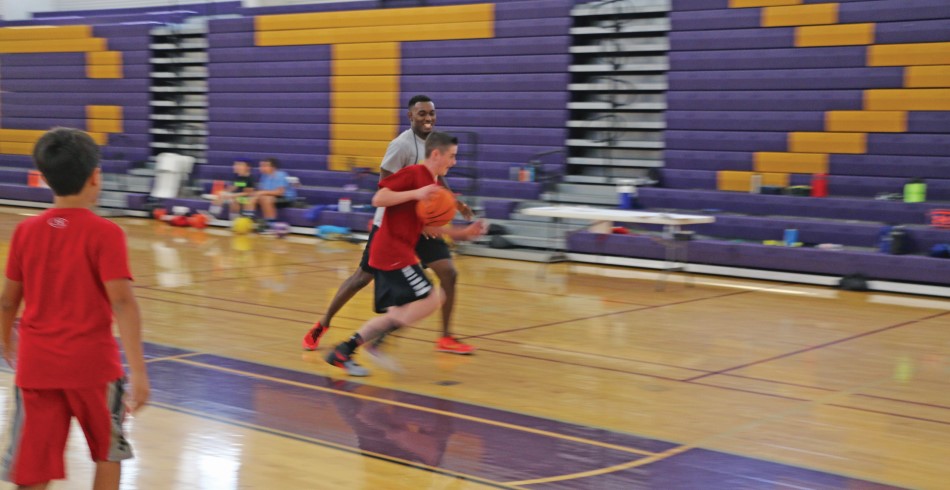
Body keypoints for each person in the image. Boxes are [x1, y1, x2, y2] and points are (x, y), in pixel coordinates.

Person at [0, 127, 150, 489]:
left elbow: (7, 301)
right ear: (95, 177)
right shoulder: (106, 233)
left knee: (32, 465)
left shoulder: (25, 232)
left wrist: (6, 342)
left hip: (37, 368)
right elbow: (123, 303)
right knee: (108, 453)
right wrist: (140, 373)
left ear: (45, 178)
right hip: (94, 368)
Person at [303, 95, 477, 354]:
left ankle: (446, 337)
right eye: (422, 114)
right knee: (361, 278)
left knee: (449, 273)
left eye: (431, 113)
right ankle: (323, 323)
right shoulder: (401, 145)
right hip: (393, 225)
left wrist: (454, 203)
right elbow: (385, 185)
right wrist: (413, 203)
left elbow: (436, 178)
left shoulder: (435, 144)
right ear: (410, 116)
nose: (428, 118)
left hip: (422, 224)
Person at [325, 131, 484, 376]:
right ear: (435, 154)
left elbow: (428, 227)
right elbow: (379, 198)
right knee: (432, 298)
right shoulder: (414, 174)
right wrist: (415, 194)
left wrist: (465, 233)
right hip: (391, 252)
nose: (454, 162)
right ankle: (376, 343)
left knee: (400, 312)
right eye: (451, 157)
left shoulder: (432, 185)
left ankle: (344, 351)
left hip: (400, 253)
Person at [245, 157, 297, 228]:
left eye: (264, 166)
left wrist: (261, 193)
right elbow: (262, 191)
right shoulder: (264, 176)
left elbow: (280, 192)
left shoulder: (281, 175)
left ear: (273, 167)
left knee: (266, 198)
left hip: (286, 198)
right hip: (271, 196)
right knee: (252, 198)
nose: (261, 168)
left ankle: (270, 225)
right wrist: (255, 195)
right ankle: (248, 221)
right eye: (261, 166)